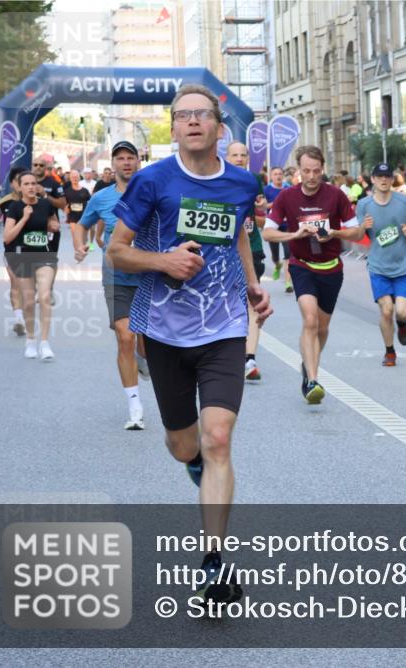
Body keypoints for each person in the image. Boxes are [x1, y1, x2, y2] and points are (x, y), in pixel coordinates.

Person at [106, 84, 273, 603]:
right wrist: (164, 261)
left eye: (203, 114)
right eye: (184, 116)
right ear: (173, 127)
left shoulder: (245, 182)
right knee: (185, 445)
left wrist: (250, 283)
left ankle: (214, 561)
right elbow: (116, 251)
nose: (194, 122)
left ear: (220, 127)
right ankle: (195, 464)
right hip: (164, 331)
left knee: (219, 437)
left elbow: (239, 231)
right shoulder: (152, 181)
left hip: (224, 328)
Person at [263, 145, 357, 404]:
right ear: (299, 171)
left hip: (331, 268)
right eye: (306, 171)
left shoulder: (336, 195)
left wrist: (336, 233)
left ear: (322, 169)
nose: (312, 176)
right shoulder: (286, 197)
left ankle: (309, 361)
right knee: (310, 319)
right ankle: (312, 380)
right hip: (301, 265)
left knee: (323, 328)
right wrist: (293, 235)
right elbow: (268, 232)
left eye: (316, 171)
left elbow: (358, 232)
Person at [72, 141, 149, 430]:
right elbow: (82, 224)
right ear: (113, 164)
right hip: (116, 276)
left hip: (150, 273)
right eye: (121, 158)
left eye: (131, 157)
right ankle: (134, 406)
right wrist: (80, 246)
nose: (126, 162)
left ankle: (145, 356)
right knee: (125, 335)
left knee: (147, 340)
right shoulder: (101, 198)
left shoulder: (150, 193)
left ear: (138, 163)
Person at [351, 162, 406, 366]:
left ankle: (402, 323)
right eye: (379, 177)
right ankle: (389, 352)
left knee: (402, 311)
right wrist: (363, 226)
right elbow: (358, 234)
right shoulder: (363, 205)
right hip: (378, 266)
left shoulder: (404, 201)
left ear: (392, 179)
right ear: (373, 180)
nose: (383, 180)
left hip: (402, 265)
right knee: (386, 309)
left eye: (387, 176)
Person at [224, 141, 270, 381]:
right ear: (226, 157)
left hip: (252, 248)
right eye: (235, 155)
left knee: (253, 304)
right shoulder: (218, 177)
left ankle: (249, 358)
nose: (239, 159)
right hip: (224, 252)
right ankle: (227, 353)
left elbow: (261, 212)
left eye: (243, 155)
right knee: (232, 305)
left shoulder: (253, 179)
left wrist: (261, 209)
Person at [3, 171, 61, 360]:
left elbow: (54, 222)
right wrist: (24, 218)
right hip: (22, 257)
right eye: (26, 183)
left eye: (33, 183)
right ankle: (30, 339)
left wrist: (53, 225)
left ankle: (44, 343)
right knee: (28, 302)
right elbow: (7, 238)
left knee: (44, 296)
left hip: (44, 255)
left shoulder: (45, 205)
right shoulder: (15, 208)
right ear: (19, 187)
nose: (30, 187)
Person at [0, 168, 28, 336]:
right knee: (15, 281)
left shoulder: (37, 201)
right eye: (19, 181)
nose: (22, 184)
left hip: (33, 250)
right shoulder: (3, 202)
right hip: (11, 249)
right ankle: (19, 319)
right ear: (13, 183)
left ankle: (25, 314)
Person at [263, 167, 293, 292]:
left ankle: (287, 283)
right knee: (275, 255)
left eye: (280, 174)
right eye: (275, 174)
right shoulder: (267, 190)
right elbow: (263, 206)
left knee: (288, 254)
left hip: (287, 226)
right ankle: (277, 265)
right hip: (273, 226)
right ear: (271, 176)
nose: (278, 176)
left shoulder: (289, 188)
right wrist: (277, 203)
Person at [64, 169, 91, 234]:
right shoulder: (67, 191)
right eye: (73, 177)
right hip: (72, 217)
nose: (75, 179)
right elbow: (64, 204)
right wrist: (65, 209)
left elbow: (90, 202)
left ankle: (88, 243)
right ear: (70, 178)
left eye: (76, 177)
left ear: (79, 178)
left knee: (83, 239)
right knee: (75, 237)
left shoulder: (85, 191)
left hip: (83, 217)